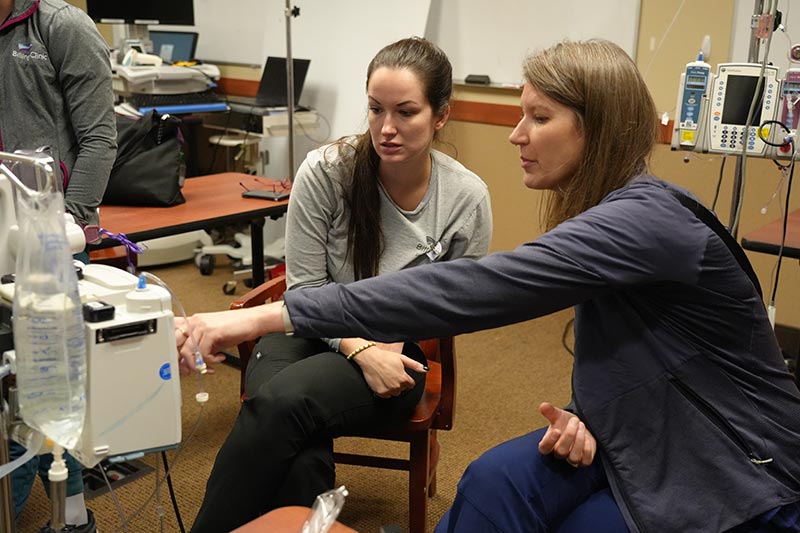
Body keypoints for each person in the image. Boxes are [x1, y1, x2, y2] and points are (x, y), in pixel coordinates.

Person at [178, 39, 800, 532]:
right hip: (634, 427)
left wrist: (262, 317)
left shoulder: (646, 221)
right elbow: (645, 345)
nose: (516, 135)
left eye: (538, 117)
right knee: (492, 480)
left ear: (597, 128)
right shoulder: (612, 213)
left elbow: (472, 288)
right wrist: (586, 413)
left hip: (734, 466)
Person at [188, 37, 492, 532]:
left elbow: (456, 307)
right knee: (298, 445)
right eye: (375, 109)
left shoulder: (465, 198)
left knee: (283, 406)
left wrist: (379, 348)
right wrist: (358, 350)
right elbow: (306, 291)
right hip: (306, 331)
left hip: (398, 352)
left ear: (441, 116)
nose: (386, 128)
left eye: (406, 112)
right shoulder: (328, 171)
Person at [1, 0, 117, 531]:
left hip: (47, 235)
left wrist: (64, 227)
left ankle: (68, 512)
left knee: (47, 383)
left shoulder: (61, 27)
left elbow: (99, 138)